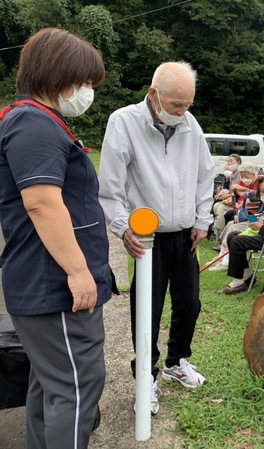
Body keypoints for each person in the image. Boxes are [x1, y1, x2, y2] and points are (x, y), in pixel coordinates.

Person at [0, 28, 112, 448]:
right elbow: (43, 204)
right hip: (56, 286)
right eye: (84, 82)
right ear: (58, 74)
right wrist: (79, 271)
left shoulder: (37, 121)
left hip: (45, 283)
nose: (87, 91)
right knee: (77, 387)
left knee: (50, 385)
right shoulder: (35, 123)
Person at [98, 61, 214, 415]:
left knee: (189, 303)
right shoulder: (123, 123)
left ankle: (177, 361)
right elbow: (110, 188)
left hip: (185, 234)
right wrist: (122, 227)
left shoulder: (189, 125)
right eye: (176, 104)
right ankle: (145, 377)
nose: (182, 112)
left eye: (187, 105)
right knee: (147, 308)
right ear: (153, 94)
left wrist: (202, 219)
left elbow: (204, 175)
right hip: (146, 237)